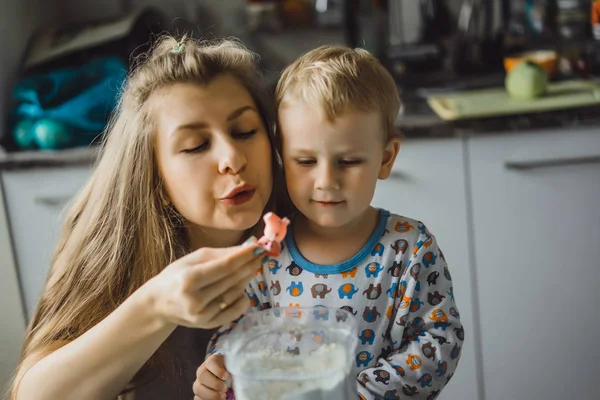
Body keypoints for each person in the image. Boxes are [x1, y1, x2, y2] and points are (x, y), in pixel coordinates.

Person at [10, 35, 283, 400]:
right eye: (196, 145)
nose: (232, 157)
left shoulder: (307, 226)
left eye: (245, 131)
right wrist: (156, 306)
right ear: (153, 173)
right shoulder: (111, 248)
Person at [196, 46, 464, 400]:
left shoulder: (411, 249)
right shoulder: (261, 254)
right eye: (305, 161)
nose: (326, 181)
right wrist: (220, 365)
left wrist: (354, 392)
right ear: (282, 157)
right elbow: (239, 330)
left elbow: (439, 340)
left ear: (385, 159)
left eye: (349, 161)